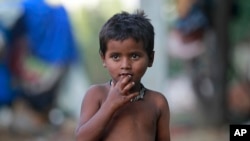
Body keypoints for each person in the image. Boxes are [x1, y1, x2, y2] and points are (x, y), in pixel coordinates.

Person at [75, 10, 170, 141]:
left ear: (151, 58)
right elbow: (81, 139)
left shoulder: (157, 102)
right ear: (103, 59)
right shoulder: (96, 95)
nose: (125, 65)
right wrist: (110, 105)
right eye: (115, 57)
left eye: (134, 56)